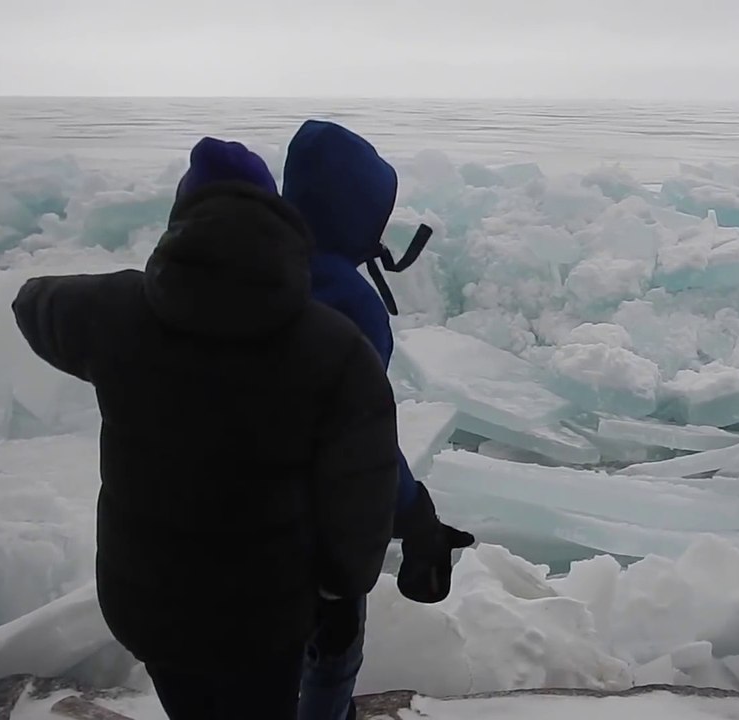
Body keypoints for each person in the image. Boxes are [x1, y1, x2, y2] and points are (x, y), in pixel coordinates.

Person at [11, 137, 402, 720]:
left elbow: (31, 304)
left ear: (182, 219)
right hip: (264, 616)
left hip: (147, 602)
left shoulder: (113, 312)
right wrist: (343, 587)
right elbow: (362, 489)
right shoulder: (334, 348)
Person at [282, 119, 475, 720]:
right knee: (331, 645)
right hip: (310, 528)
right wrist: (416, 518)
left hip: (226, 509)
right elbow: (357, 441)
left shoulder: (264, 264)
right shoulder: (344, 296)